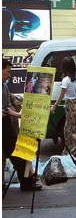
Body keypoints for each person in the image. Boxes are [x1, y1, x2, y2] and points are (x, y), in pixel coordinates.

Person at [2, 59, 42, 191]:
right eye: (7, 72)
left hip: (8, 123)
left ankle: (26, 180)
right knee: (16, 154)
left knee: (15, 153)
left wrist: (19, 116)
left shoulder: (4, 86)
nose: (9, 75)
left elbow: (8, 108)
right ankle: (26, 181)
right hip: (5, 125)